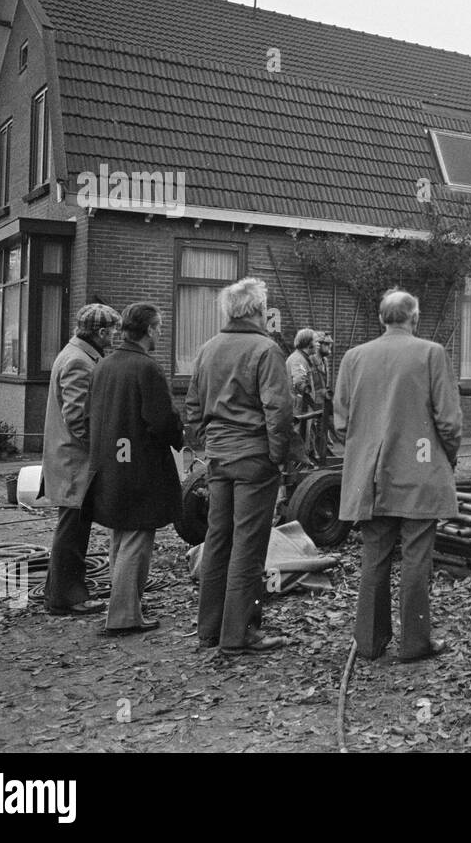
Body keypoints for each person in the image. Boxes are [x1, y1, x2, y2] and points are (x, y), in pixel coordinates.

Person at [334, 290, 462, 663]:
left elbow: (342, 422)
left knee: (374, 556)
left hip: (371, 476)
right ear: (415, 317)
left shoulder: (353, 358)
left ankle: (370, 643)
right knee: (416, 558)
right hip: (420, 471)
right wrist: (445, 458)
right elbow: (449, 422)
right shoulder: (431, 354)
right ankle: (415, 643)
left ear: (381, 318)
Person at [185, 277, 296, 656]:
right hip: (254, 457)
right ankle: (239, 634)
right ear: (256, 311)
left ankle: (210, 628)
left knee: (218, 540)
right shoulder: (266, 350)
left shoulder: (207, 349)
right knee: (248, 546)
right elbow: (278, 411)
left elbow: (193, 408)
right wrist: (278, 456)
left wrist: (209, 443)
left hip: (219, 457)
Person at [84, 303, 183, 634]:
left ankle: (124, 606)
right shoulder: (146, 369)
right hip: (141, 467)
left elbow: (88, 417)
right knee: (138, 537)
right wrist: (178, 435)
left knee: (121, 535)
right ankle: (125, 615)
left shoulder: (103, 366)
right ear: (151, 330)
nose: (160, 333)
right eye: (159, 327)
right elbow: (162, 422)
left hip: (110, 464)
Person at [42, 303, 120, 616]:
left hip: (71, 461)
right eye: (112, 330)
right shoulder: (79, 361)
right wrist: (102, 450)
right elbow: (77, 418)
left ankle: (59, 593)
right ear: (100, 332)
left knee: (72, 529)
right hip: (76, 463)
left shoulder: (76, 354)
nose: (114, 335)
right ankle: (67, 598)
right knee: (72, 532)